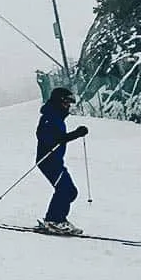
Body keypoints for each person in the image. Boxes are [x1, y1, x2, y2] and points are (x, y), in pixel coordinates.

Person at [35, 86, 88, 234]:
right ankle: (54, 221)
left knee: (70, 191)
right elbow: (47, 136)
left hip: (56, 160)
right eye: (66, 103)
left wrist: (74, 134)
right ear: (59, 102)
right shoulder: (49, 117)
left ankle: (56, 219)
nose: (68, 106)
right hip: (47, 160)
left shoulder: (55, 116)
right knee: (66, 190)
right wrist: (76, 134)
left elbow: (58, 138)